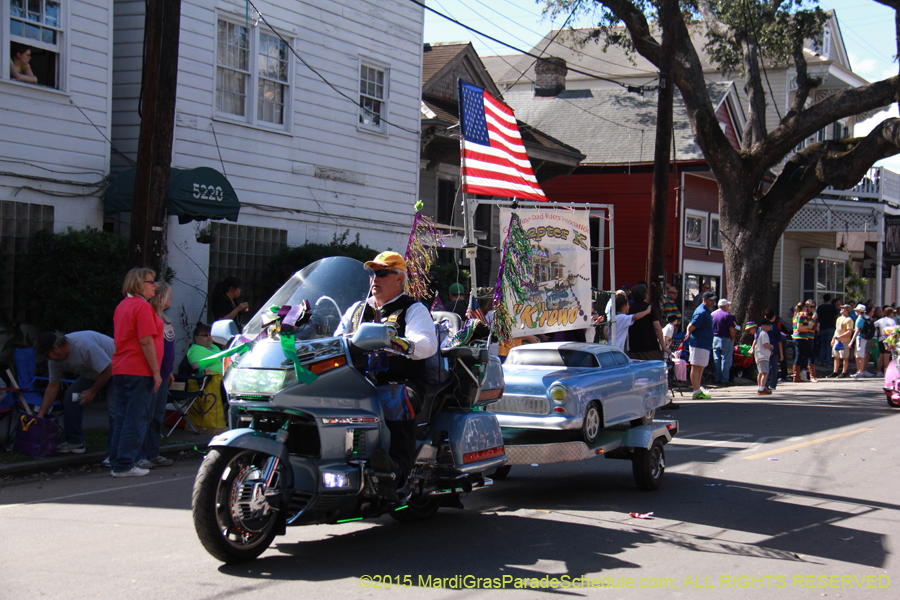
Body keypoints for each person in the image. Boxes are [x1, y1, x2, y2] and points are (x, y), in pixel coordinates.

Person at [334, 251, 438, 493]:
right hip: (358, 380)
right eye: (372, 274)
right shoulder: (357, 310)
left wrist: (395, 342)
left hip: (400, 381)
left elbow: (427, 344)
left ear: (399, 278)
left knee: (397, 397)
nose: (374, 279)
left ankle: (396, 471)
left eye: (381, 273)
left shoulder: (413, 309)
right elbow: (337, 339)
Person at [109, 268, 163, 477]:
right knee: (135, 417)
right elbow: (146, 340)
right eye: (151, 282)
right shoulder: (142, 307)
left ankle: (117, 461)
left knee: (123, 417)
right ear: (140, 284)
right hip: (138, 369)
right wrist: (156, 372)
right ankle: (124, 463)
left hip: (121, 367)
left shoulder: (123, 306)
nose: (154, 285)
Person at [33, 330, 114, 454]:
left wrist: (92, 392)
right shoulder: (55, 361)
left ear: (56, 348)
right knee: (71, 397)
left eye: (47, 356)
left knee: (115, 406)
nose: (47, 360)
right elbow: (52, 387)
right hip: (93, 374)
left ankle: (115, 450)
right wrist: (41, 414)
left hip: (116, 371)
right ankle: (75, 442)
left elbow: (108, 369)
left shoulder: (84, 346)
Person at [138, 282, 176, 470]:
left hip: (163, 373)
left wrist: (168, 371)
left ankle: (153, 452)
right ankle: (141, 453)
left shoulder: (164, 320)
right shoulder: (151, 317)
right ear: (160, 298)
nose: (171, 299)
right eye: (168, 295)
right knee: (147, 413)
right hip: (152, 373)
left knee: (158, 414)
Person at [684, 291, 717, 399]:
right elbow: (691, 326)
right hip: (699, 343)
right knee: (696, 366)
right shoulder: (701, 312)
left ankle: (698, 389)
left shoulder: (706, 311)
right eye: (710, 299)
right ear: (704, 300)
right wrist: (688, 333)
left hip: (704, 343)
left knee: (700, 366)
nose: (713, 301)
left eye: (713, 299)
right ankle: (696, 391)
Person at [626, 284, 673, 361]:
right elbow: (657, 327)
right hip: (650, 347)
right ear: (645, 295)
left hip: (633, 347)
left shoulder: (629, 309)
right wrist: (663, 346)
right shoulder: (651, 308)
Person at [711, 298, 736, 385]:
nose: (728, 307)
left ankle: (716, 378)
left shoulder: (713, 314)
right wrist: (733, 338)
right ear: (725, 306)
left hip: (715, 338)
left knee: (717, 359)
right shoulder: (727, 316)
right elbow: (731, 329)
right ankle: (724, 379)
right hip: (726, 339)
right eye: (728, 306)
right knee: (726, 359)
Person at [792, 300, 817, 382]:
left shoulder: (798, 315)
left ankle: (796, 376)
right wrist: (808, 326)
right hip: (800, 338)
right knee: (811, 355)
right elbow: (799, 327)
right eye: (807, 306)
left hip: (800, 337)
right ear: (804, 307)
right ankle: (811, 375)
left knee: (799, 356)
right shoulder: (801, 315)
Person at [829, 304, 855, 379]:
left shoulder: (849, 320)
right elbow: (836, 330)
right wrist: (833, 339)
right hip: (837, 340)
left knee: (844, 357)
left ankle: (844, 372)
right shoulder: (839, 318)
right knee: (836, 356)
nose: (842, 310)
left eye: (843, 309)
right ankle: (835, 371)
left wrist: (841, 336)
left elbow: (849, 331)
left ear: (847, 311)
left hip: (844, 341)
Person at [850, 304, 874, 378]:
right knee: (859, 355)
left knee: (860, 355)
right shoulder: (866, 319)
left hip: (860, 338)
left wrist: (851, 341)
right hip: (864, 338)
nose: (855, 312)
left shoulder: (860, 319)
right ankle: (860, 371)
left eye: (856, 310)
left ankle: (860, 371)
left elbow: (857, 331)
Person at [763, 310, 784, 391]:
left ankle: (765, 384)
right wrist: (781, 354)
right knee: (774, 368)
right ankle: (773, 384)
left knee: (766, 367)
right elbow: (779, 341)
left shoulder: (762, 328)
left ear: (765, 317)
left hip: (765, 350)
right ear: (774, 317)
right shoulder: (776, 328)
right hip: (775, 350)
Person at [816, 294, 839, 366]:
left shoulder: (820, 307)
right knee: (829, 345)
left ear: (823, 299)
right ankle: (828, 362)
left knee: (823, 345)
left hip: (822, 327)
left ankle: (820, 360)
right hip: (831, 327)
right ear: (830, 300)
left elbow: (816, 317)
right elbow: (837, 316)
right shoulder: (833, 307)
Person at [752, 319, 774, 395]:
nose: (769, 326)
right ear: (762, 326)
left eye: (770, 325)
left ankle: (760, 387)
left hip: (759, 356)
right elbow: (765, 345)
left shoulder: (760, 334)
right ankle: (762, 389)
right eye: (767, 325)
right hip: (763, 356)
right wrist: (771, 346)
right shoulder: (764, 333)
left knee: (761, 373)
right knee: (765, 373)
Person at [875, 307, 897, 377]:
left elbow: (873, 325)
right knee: (887, 356)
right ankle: (886, 371)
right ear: (891, 313)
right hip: (888, 339)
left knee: (881, 356)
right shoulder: (892, 321)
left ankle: (878, 371)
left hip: (881, 339)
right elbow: (894, 330)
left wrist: (878, 331)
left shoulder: (881, 320)